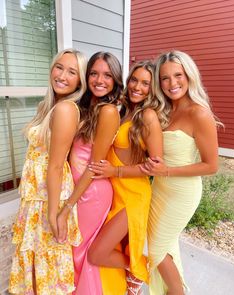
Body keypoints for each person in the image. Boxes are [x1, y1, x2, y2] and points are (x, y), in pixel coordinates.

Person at [140, 50, 220, 295]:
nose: (172, 83)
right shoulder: (163, 110)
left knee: (155, 249)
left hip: (182, 193)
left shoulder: (199, 113)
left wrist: (166, 171)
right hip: (160, 189)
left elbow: (211, 165)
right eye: (165, 78)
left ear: (189, 75)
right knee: (165, 246)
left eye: (178, 75)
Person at [8, 48, 87, 294]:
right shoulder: (51, 105)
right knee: (36, 263)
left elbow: (55, 164)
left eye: (72, 72)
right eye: (59, 67)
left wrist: (54, 214)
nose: (62, 75)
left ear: (79, 81)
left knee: (46, 267)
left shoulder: (65, 109)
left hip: (47, 198)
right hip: (36, 195)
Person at [87, 60, 163, 295]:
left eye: (145, 83)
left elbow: (155, 167)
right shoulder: (123, 110)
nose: (137, 87)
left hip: (134, 197)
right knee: (115, 247)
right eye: (133, 80)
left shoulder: (148, 115)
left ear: (153, 89)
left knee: (97, 253)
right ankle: (133, 273)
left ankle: (137, 270)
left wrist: (115, 171)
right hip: (115, 193)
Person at [55, 51, 123, 295]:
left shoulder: (108, 111)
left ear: (115, 80)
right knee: (72, 251)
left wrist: (67, 206)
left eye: (107, 75)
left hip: (91, 192)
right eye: (94, 73)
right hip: (75, 188)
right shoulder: (86, 106)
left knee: (78, 251)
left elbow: (95, 166)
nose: (99, 80)